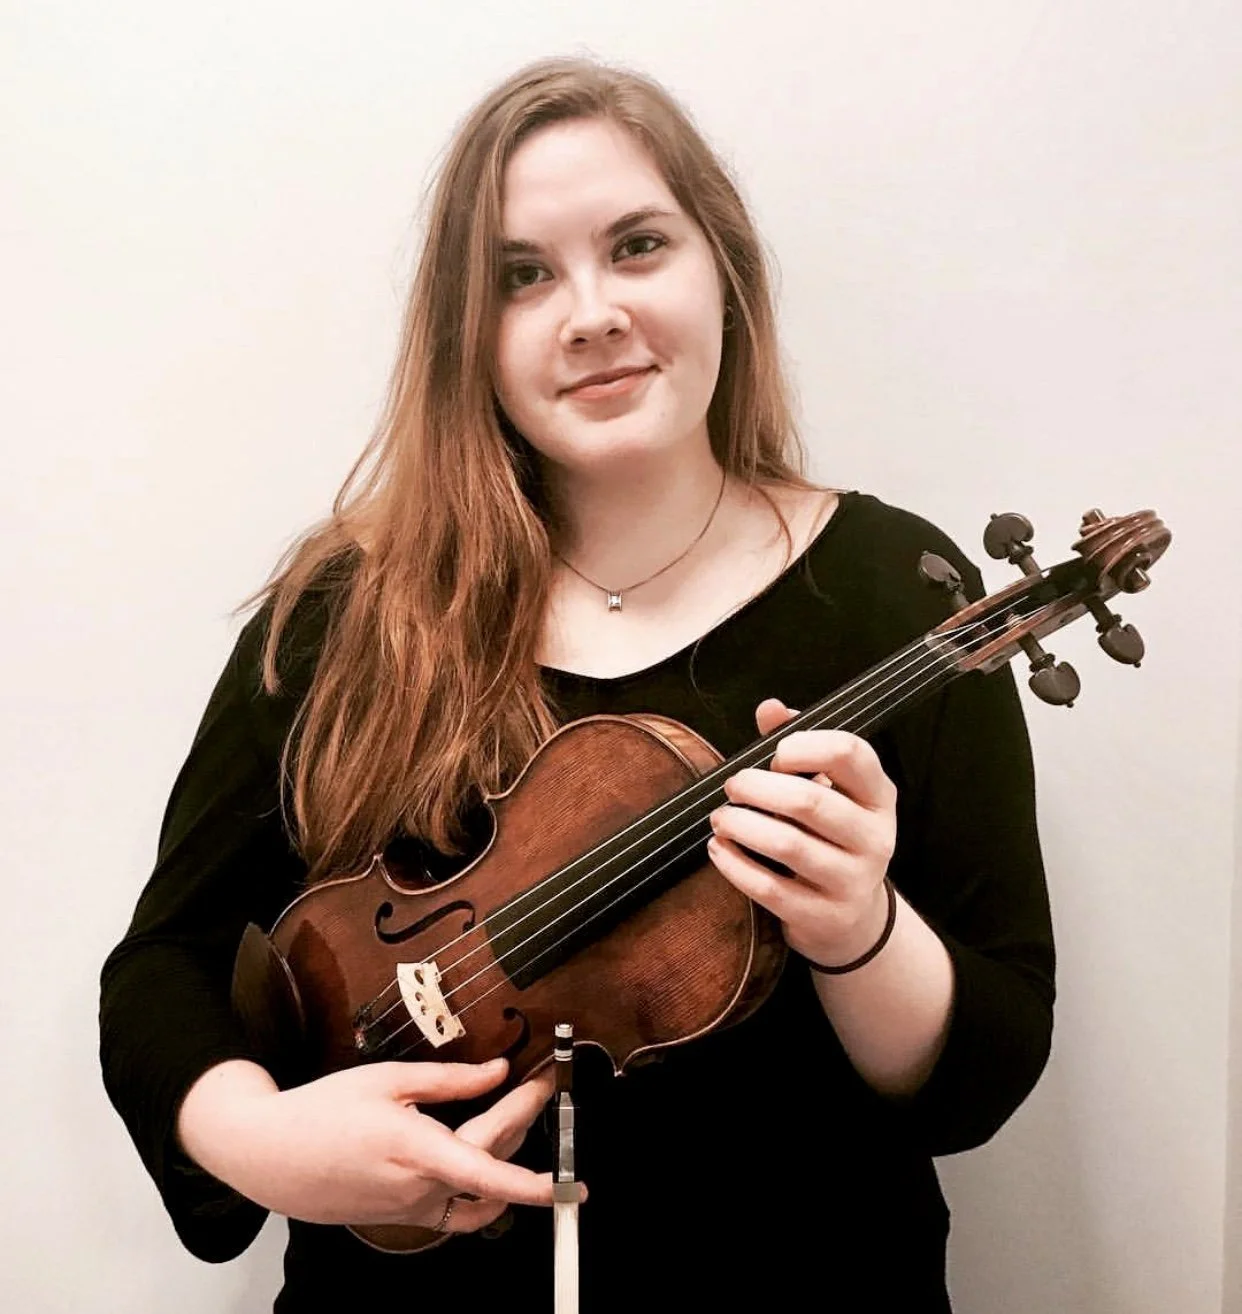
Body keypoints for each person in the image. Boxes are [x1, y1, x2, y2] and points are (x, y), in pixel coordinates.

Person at [98, 54, 1055, 1313]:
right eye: (522, 275)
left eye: (638, 246)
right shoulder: (350, 610)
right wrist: (264, 1142)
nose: (591, 313)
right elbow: (163, 966)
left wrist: (858, 931)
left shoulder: (901, 593)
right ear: (470, 335)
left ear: (725, 270)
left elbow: (988, 1066)